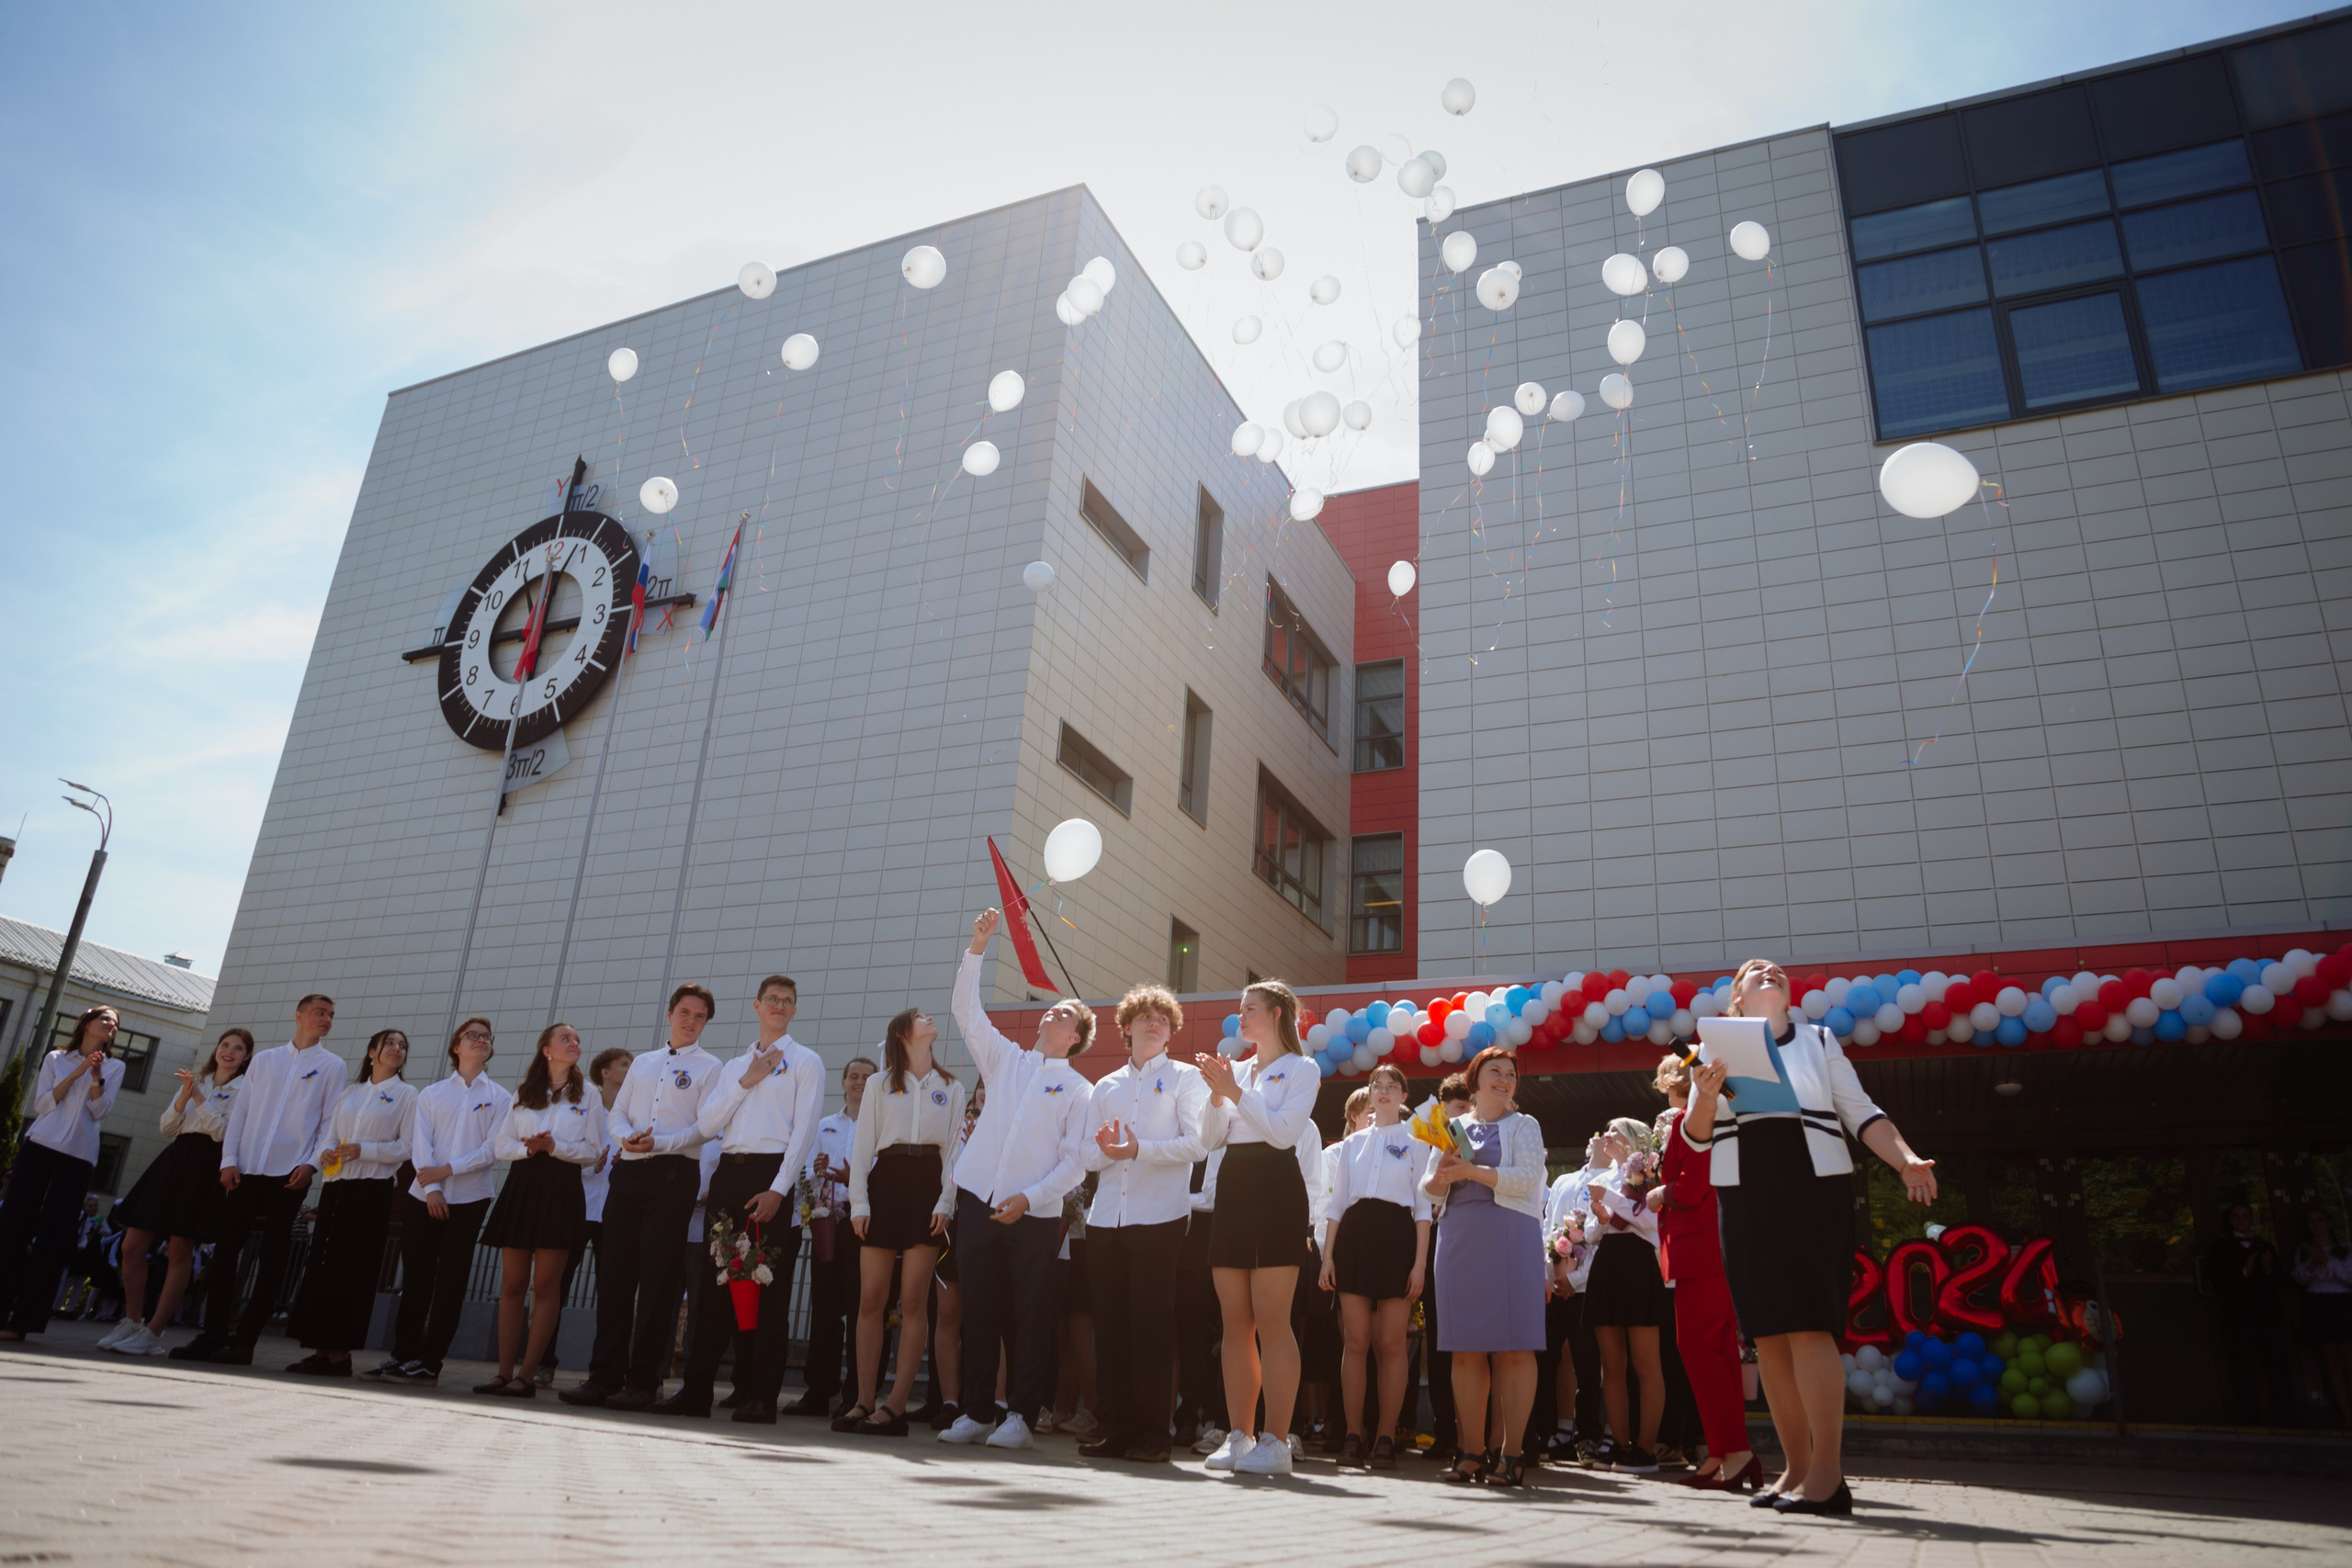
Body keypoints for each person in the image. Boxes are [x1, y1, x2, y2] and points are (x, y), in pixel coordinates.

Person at [1680, 957, 1937, 1516]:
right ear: (1737, 999)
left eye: (1777, 971)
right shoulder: (1713, 1049)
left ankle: (1828, 1476)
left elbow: (1862, 1111)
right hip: (1743, 1194)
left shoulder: (1819, 1039)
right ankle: (1795, 1468)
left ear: (1788, 996)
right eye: (1756, 972)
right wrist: (1703, 1093)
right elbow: (1698, 1138)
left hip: (1810, 1189)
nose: (1770, 972)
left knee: (1809, 1326)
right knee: (1768, 1335)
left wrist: (1907, 1160)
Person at [938, 908, 1093, 1452]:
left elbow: (1076, 1163)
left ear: (1075, 1036)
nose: (1049, 1014)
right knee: (977, 1311)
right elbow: (965, 1009)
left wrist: (1030, 1198)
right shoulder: (1005, 1059)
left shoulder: (1079, 1090)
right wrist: (978, 946)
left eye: (1062, 1014)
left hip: (1034, 1216)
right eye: (1049, 1010)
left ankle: (1021, 1418)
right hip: (978, 1204)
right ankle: (978, 1412)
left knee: (1029, 1319)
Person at [663, 974, 824, 1423]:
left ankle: (761, 1396)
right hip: (728, 1176)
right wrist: (748, 1081)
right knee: (714, 1291)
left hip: (769, 1175)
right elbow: (709, 1123)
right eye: (771, 999)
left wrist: (779, 1188)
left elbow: (804, 1131)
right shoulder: (735, 1067)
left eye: (787, 1001)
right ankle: (696, 1390)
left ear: (794, 1010)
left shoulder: (806, 1062)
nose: (779, 1005)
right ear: (757, 1006)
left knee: (765, 1290)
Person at [561, 984, 724, 1411]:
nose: (691, 1021)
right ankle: (603, 1377)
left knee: (657, 1280)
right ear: (670, 1013)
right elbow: (617, 1113)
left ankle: (643, 1382)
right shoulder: (645, 1063)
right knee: (614, 1276)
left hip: (673, 1175)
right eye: (685, 1012)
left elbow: (705, 1128)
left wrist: (661, 1144)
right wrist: (624, 1138)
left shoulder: (711, 1068)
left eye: (700, 1016)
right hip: (629, 1173)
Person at [1075, 984, 1207, 1462]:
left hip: (1159, 1218)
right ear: (1126, 1026)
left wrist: (1139, 1149)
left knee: (1151, 1329)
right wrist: (1110, 1152)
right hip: (1106, 1218)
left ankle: (1155, 1435)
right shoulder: (1105, 1086)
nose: (1155, 1023)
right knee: (1110, 1329)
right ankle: (1115, 1428)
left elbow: (1198, 1145)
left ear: (1171, 1030)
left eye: (1163, 1018)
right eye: (1145, 1016)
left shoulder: (1186, 1079)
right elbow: (1085, 1153)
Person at [172, 994, 343, 1364]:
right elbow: (242, 1115)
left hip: (290, 1172)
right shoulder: (264, 1061)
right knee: (225, 1253)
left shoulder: (332, 1066)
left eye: (330, 1015)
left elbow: (330, 1123)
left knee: (273, 1257)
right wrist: (229, 1160)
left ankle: (245, 1341)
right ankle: (213, 1334)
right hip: (246, 1169)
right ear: (299, 1016)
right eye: (319, 1013)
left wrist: (311, 1164)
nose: (326, 1019)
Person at [1193, 978, 1319, 1477]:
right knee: (1234, 1323)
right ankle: (1239, 1436)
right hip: (1235, 1189)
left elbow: (1284, 1134)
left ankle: (1277, 1440)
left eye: (1250, 1009)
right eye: (1240, 1009)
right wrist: (1218, 1097)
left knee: (1272, 1319)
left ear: (1277, 1015)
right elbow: (1208, 1140)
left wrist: (1235, 1092)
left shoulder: (1302, 1068)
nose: (1241, 1017)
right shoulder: (1237, 1070)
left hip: (1275, 1190)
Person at [1422, 1046, 1547, 1487]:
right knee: (1466, 1350)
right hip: (1459, 1241)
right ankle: (1471, 1451)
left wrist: (1472, 1173)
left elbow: (1527, 1177)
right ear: (1475, 1081)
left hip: (1511, 1240)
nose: (1504, 1079)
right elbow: (1430, 1191)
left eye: (1511, 1074)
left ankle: (1511, 1454)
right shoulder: (1450, 1126)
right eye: (1494, 1071)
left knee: (1515, 1349)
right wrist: (1439, 1177)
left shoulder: (1525, 1125)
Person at [840, 1005, 964, 1436]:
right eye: (920, 1016)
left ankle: (895, 1408)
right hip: (885, 1184)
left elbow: (954, 1153)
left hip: (928, 1189)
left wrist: (946, 1200)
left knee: (914, 1303)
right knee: (871, 1299)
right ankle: (862, 1400)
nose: (930, 1019)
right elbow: (862, 1149)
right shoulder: (878, 1083)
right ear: (902, 1033)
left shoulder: (952, 1086)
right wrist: (859, 1203)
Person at [371, 1018, 509, 1388]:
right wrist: (431, 1188)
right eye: (472, 1036)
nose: (480, 1041)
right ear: (456, 1047)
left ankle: (430, 1362)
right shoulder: (432, 1094)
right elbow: (420, 1145)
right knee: (415, 1278)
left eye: (486, 1037)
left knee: (451, 1281)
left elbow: (492, 1149)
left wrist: (449, 1170)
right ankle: (402, 1354)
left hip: (470, 1198)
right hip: (424, 1195)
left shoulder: (500, 1097)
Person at [99, 1027, 254, 1357]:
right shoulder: (197, 1080)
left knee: (180, 1249)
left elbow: (223, 1133)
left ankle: (154, 1333)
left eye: (237, 1048)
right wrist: (186, 1094)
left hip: (206, 1164)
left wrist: (198, 1098)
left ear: (246, 1057)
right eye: (224, 1044)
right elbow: (167, 1127)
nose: (228, 1051)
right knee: (132, 1244)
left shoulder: (245, 1090)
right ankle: (131, 1321)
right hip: (175, 1158)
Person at [475, 1022, 605, 1396]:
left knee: (546, 1287)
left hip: (561, 1188)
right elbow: (502, 1145)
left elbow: (593, 1151)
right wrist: (529, 1149)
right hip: (523, 1184)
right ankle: (502, 1372)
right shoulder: (524, 1092)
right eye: (566, 1038)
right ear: (546, 1049)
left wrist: (555, 1147)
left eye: (578, 1039)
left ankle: (527, 1375)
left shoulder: (588, 1094)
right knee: (512, 1284)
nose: (574, 1043)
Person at [285, 1029, 416, 1376]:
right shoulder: (351, 1093)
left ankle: (341, 1354)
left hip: (371, 1190)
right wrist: (325, 1154)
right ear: (372, 1051)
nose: (396, 1049)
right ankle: (320, 1349)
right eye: (389, 1043)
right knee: (324, 1265)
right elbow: (330, 1134)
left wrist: (365, 1150)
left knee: (354, 1269)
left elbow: (408, 1147)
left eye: (402, 1046)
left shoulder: (406, 1095)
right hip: (337, 1186)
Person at [1651, 1055, 1756, 1490]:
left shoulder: (1687, 1123)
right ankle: (1722, 1453)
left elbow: (1693, 1187)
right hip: (1723, 1249)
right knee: (1721, 1354)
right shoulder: (1722, 1119)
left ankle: (1737, 1452)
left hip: (1700, 1250)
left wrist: (1660, 1191)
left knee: (1697, 1349)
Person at [1322, 1063, 1430, 1471]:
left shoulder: (1418, 1138)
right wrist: (1329, 1256)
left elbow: (1423, 1207)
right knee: (1355, 1341)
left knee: (1391, 1344)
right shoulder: (1352, 1144)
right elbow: (1337, 1205)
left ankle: (1386, 1434)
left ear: (1404, 1097)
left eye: (1391, 1086)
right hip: (1354, 1238)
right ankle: (1354, 1433)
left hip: (1398, 1238)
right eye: (1376, 1086)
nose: (1383, 1091)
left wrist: (1419, 1264)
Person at [0, 1007, 128, 1342]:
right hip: (40, 1145)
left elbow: (100, 1110)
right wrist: (77, 1073)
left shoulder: (115, 1066)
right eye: (105, 1019)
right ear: (86, 1024)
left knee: (54, 1238)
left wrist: (96, 1076)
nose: (111, 1026)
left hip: (79, 1155)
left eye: (115, 1024)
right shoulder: (57, 1057)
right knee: (12, 1227)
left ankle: (23, 1321)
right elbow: (42, 1104)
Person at [785, 1056, 874, 1417]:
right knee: (824, 1310)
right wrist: (818, 1177)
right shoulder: (823, 1126)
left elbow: (880, 1178)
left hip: (863, 1227)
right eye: (853, 1076)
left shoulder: (878, 1127)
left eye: (867, 1077)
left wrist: (853, 1180)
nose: (859, 1082)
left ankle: (855, 1393)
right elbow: (804, 1173)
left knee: (859, 1310)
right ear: (843, 1082)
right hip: (828, 1224)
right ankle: (819, 1391)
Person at [542, 1045, 633, 1388]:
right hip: (576, 1208)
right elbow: (566, 1151)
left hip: (615, 1213)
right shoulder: (582, 1105)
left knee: (614, 1293)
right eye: (624, 1064)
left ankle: (606, 1370)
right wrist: (587, 1165)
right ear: (604, 1072)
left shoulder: (636, 1113)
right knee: (555, 1287)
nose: (631, 1069)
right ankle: (541, 1361)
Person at [1584, 1115, 1668, 1472]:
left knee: (1646, 1363)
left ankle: (1646, 1449)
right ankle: (1619, 1444)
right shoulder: (1600, 1178)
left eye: (1614, 1131)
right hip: (1608, 1265)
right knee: (1612, 1366)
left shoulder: (1651, 1175)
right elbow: (1590, 1233)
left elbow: (1652, 1222)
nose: (1606, 1136)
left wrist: (1613, 1202)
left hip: (1639, 1266)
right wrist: (1601, 1216)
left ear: (1635, 1139)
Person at [1417, 1075, 1474, 1464]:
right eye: (1455, 1107)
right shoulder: (1430, 1142)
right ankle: (1446, 1432)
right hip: (1441, 1241)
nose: (1463, 1114)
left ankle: (1481, 1435)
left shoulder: (1492, 1135)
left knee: (1478, 1341)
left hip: (1480, 1241)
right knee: (1439, 1342)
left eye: (1468, 1106)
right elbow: (1422, 1198)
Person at [2206, 1200, 2291, 1427]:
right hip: (2238, 1315)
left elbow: (2281, 1280)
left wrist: (2267, 1269)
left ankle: (2286, 1414)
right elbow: (2217, 1279)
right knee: (2242, 1366)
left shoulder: (2265, 1246)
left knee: (2277, 1363)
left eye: (2246, 1216)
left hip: (2268, 1314)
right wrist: (2245, 1271)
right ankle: (2249, 1416)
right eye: (2237, 1216)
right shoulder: (2221, 1247)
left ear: (2252, 1220)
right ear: (2230, 1220)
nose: (2242, 1220)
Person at [2293, 1206, 2352, 1427]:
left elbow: (2349, 1278)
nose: (2316, 1224)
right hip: (2319, 1304)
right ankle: (2347, 1416)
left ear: (2329, 1224)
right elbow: (2300, 1278)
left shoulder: (2345, 1249)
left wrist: (2327, 1261)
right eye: (2311, 1221)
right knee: (2332, 1363)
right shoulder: (2303, 1250)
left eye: (2320, 1220)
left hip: (2342, 1302)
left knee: (2349, 1361)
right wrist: (2313, 1260)